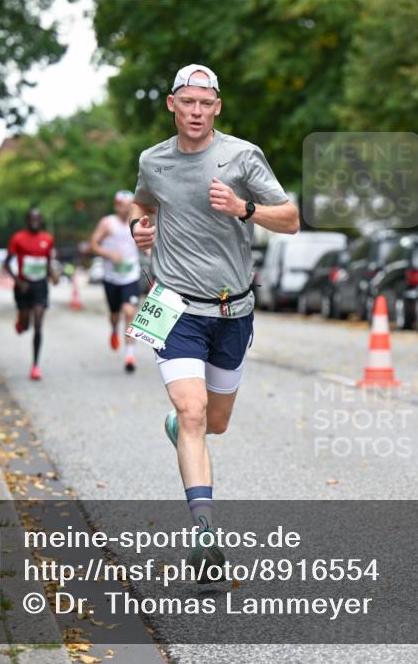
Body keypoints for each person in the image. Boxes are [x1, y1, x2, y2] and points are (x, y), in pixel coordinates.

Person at [129, 64, 299, 580]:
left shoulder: (241, 156)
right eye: (188, 102)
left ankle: (181, 430)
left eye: (205, 103)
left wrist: (244, 209)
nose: (196, 111)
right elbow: (142, 203)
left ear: (217, 107)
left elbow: (290, 218)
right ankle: (205, 538)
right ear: (171, 105)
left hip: (232, 309)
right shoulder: (153, 160)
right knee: (194, 409)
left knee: (212, 422)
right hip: (173, 305)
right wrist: (140, 227)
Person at [89, 190, 142, 373]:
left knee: (129, 312)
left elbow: (145, 243)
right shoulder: (107, 223)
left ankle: (129, 355)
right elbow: (93, 244)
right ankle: (113, 328)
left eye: (130, 205)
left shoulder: (136, 222)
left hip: (131, 276)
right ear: (117, 205)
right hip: (112, 278)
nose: (127, 208)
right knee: (115, 315)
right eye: (123, 205)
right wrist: (110, 255)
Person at [4, 208, 58, 381]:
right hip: (23, 286)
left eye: (38, 219)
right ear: (27, 221)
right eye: (32, 219)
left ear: (41, 221)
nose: (35, 222)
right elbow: (6, 264)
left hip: (40, 285)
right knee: (26, 324)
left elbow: (47, 263)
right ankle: (21, 320)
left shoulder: (47, 239)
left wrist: (53, 274)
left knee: (39, 323)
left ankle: (35, 366)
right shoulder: (18, 238)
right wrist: (18, 281)